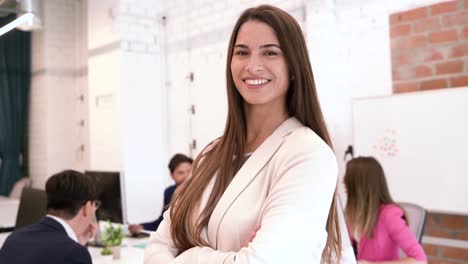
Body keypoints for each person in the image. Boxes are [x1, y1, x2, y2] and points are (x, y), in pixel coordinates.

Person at [144, 5, 342, 263]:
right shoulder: (211, 155)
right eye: (242, 52)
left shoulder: (309, 155)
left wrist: (188, 255)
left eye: (270, 52)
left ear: (294, 66)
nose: (253, 65)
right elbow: (155, 249)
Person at [0, 170, 99, 264]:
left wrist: (77, 243)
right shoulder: (75, 254)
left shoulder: (14, 238)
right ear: (87, 207)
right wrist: (77, 247)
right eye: (95, 205)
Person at [343, 157, 427, 264]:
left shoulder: (390, 215)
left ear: (359, 185)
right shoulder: (354, 213)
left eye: (348, 177)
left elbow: (419, 260)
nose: (343, 180)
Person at [128, 153, 193, 235]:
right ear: (171, 175)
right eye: (180, 173)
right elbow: (163, 222)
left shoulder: (201, 192)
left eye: (190, 172)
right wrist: (142, 227)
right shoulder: (169, 191)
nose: (186, 176)